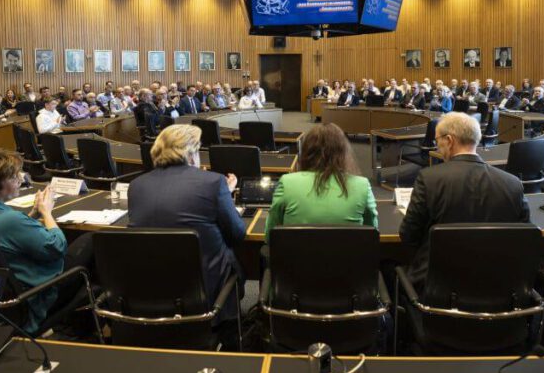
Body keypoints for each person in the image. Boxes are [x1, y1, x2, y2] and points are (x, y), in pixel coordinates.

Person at [128, 125, 246, 342]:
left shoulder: (136, 186)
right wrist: (225, 196)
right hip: (205, 290)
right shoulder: (213, 182)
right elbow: (238, 234)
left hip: (152, 286)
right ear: (191, 154)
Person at [0, 148, 93, 333]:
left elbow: (9, 239)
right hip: (33, 295)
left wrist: (32, 215)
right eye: (13, 177)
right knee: (91, 240)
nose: (21, 179)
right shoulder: (10, 220)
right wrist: (46, 212)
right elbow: (56, 247)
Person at [400, 113, 528, 288]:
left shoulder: (429, 178)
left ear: (449, 140)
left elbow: (408, 235)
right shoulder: (513, 184)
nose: (437, 148)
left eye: (438, 141)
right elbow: (523, 236)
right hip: (496, 285)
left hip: (438, 286)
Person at [266, 123, 377, 238]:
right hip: (349, 255)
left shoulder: (287, 182)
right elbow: (373, 231)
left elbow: (270, 234)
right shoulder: (362, 185)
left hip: (296, 255)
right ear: (343, 153)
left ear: (306, 152)